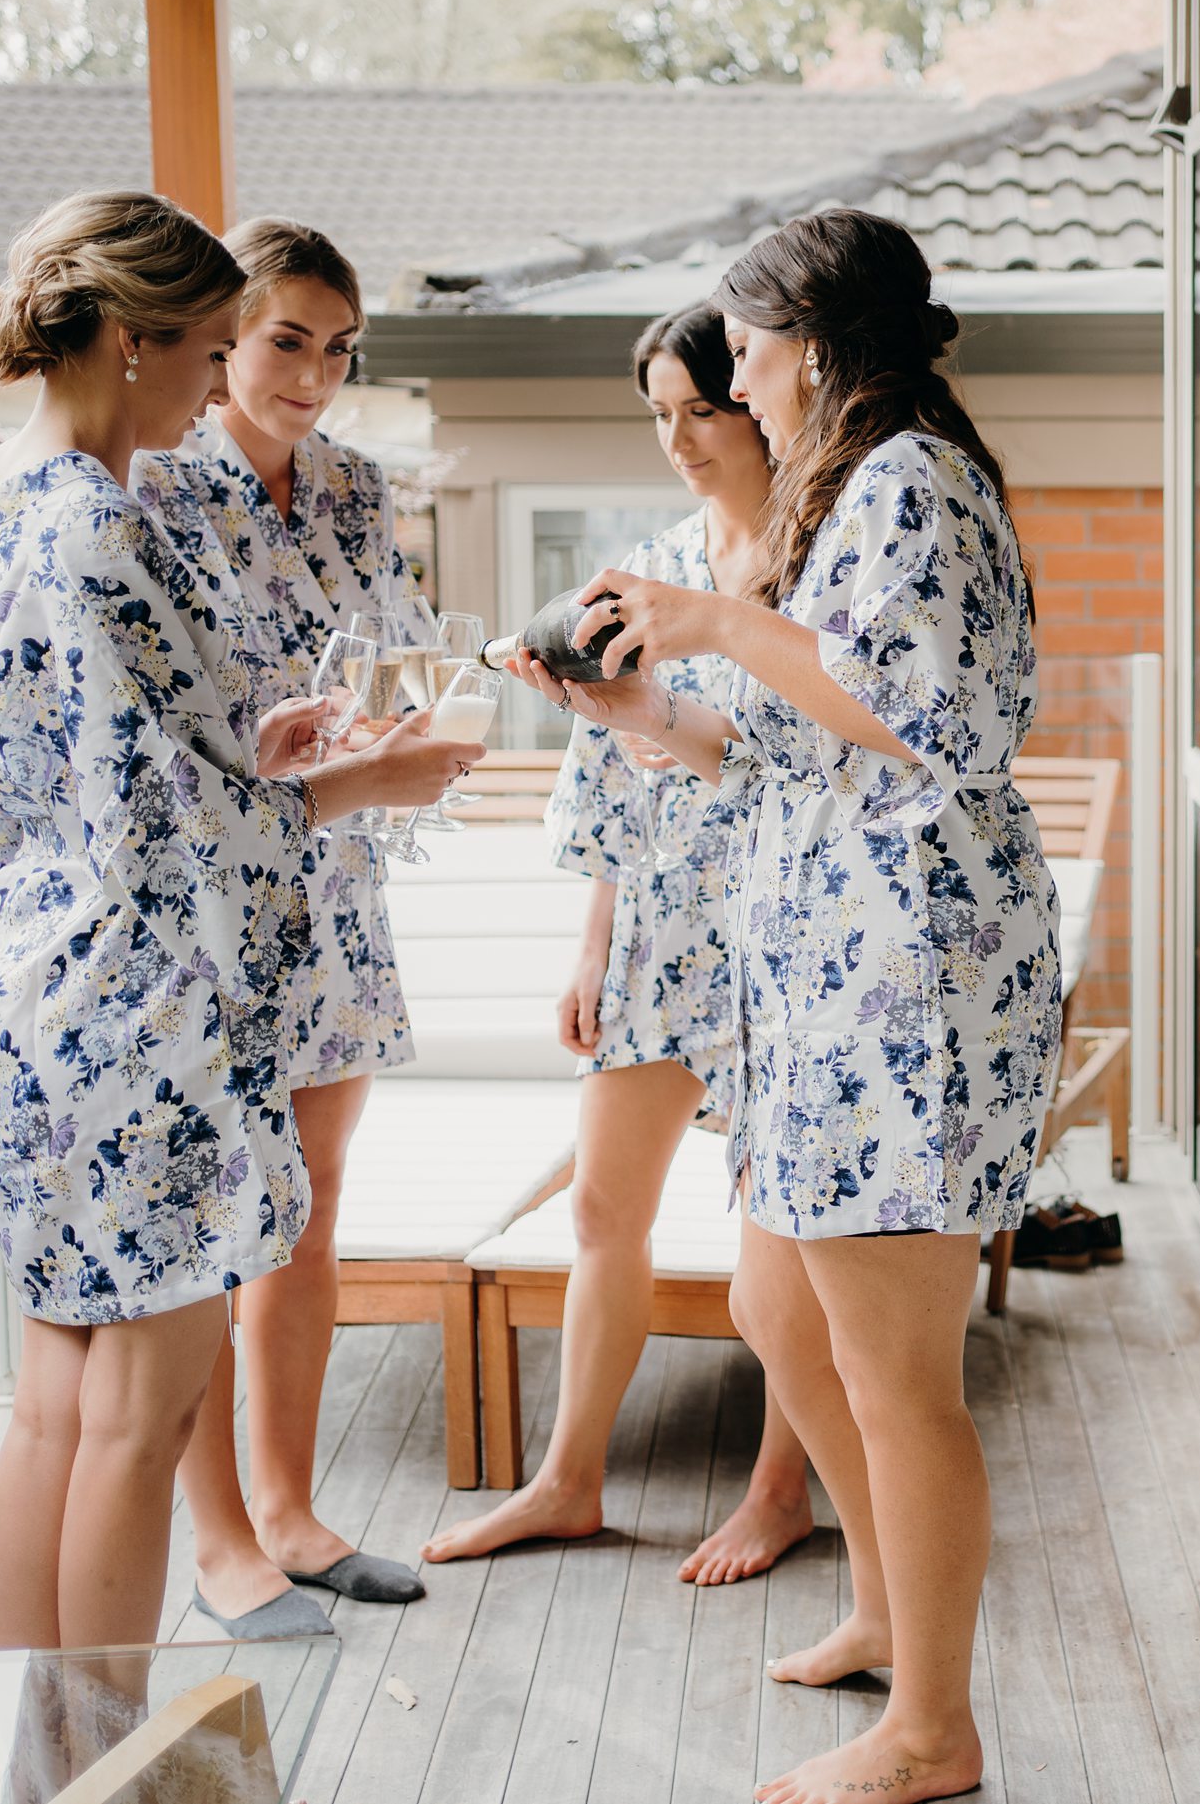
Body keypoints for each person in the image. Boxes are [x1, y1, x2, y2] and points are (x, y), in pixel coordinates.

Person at [506, 210, 1057, 1804]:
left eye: (741, 354)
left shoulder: (909, 484)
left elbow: (922, 720)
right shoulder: (856, 490)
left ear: (809, 343)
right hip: (831, 974)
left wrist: (723, 619)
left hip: (907, 978)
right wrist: (638, 706)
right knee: (784, 1309)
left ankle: (935, 1734)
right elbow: (778, 746)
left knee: (899, 1375)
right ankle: (890, 1619)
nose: (732, 384)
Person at [0, 191, 480, 1670]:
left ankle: (38, 1756)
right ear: (128, 336)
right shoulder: (105, 526)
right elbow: (172, 840)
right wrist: (361, 778)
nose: (219, 377)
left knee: (52, 1407)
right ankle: (101, 1755)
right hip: (137, 1010)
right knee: (139, 1417)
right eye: (215, 345)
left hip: (16, 990)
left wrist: (249, 750)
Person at [421, 305, 817, 1581]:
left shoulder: (821, 567)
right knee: (604, 1205)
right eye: (660, 414)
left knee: (783, 1236)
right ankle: (568, 1481)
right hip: (657, 929)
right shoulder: (645, 562)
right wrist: (593, 944)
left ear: (757, 396)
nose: (681, 438)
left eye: (701, 406)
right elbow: (608, 759)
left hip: (786, 939)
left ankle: (778, 1490)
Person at [133, 220, 432, 1633]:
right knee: (215, 1225)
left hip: (335, 888)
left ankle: (296, 1512)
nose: (314, 374)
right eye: (286, 341)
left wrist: (404, 725)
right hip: (208, 902)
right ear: (226, 337)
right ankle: (220, 1540)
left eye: (336, 347)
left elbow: (394, 642)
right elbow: (170, 735)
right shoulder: (152, 484)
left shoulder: (361, 492)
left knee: (306, 1218)